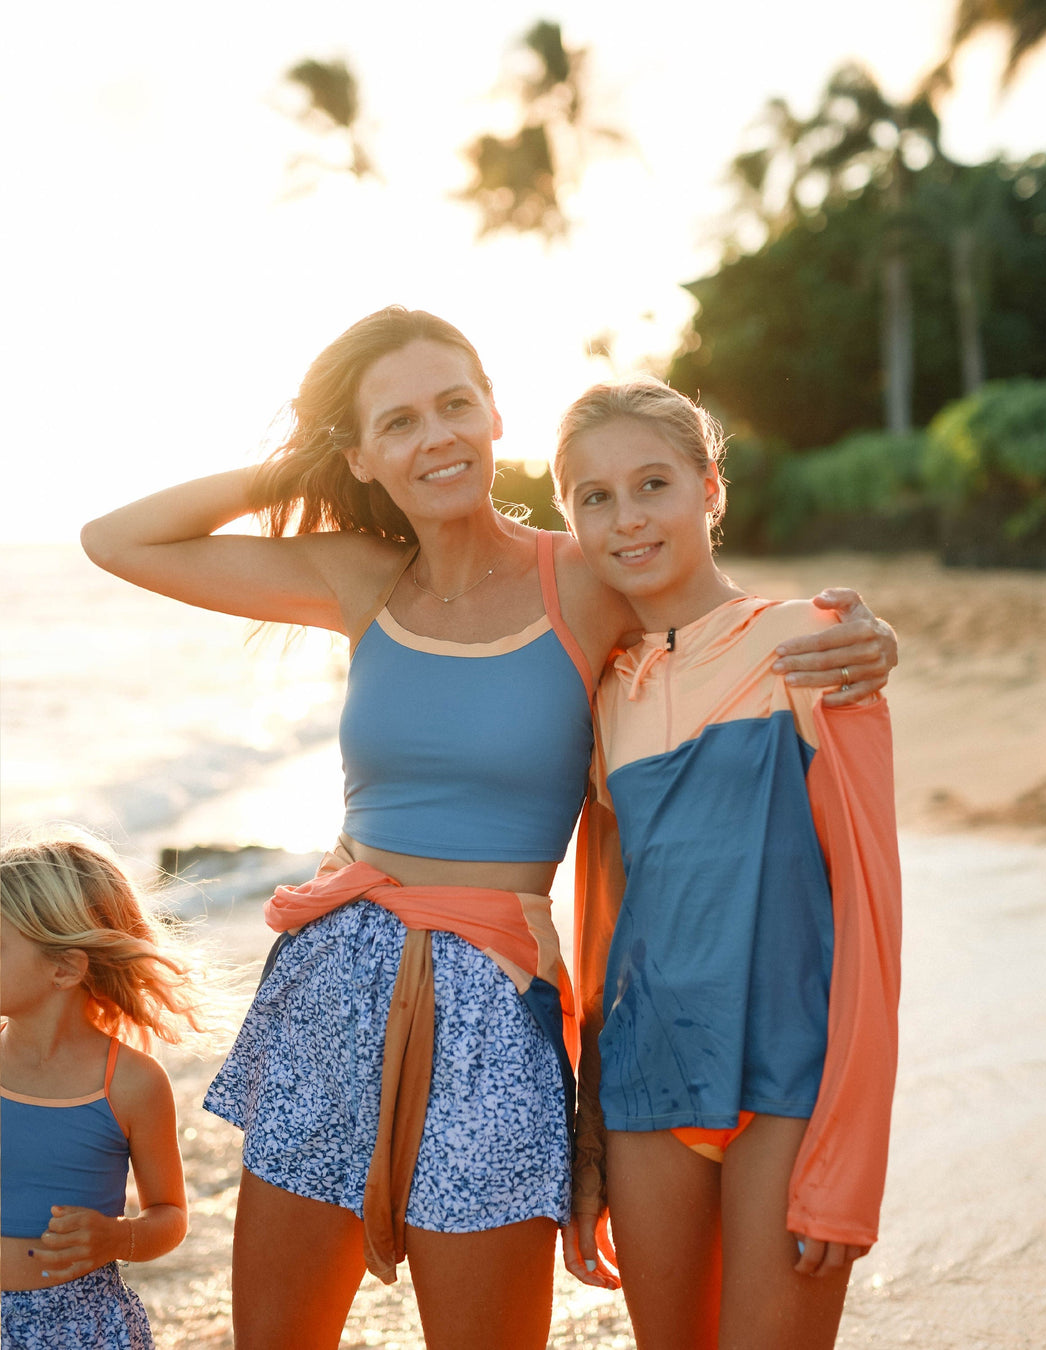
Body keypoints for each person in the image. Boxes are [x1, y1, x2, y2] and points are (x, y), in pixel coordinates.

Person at [80, 306, 898, 1350]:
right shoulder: (361, 576)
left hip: (493, 1000)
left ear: (495, 413)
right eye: (402, 422)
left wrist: (861, 639)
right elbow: (117, 540)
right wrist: (304, 471)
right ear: (364, 454)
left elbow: (710, 621)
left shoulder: (586, 573)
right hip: (331, 984)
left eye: (456, 405)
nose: (439, 438)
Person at [553, 381, 902, 1350]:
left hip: (787, 1077)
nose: (627, 519)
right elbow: (602, 931)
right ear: (570, 519)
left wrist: (852, 1154)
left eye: (653, 484)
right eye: (595, 497)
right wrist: (587, 1145)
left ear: (710, 489)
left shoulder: (813, 645)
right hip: (646, 1080)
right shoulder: (602, 694)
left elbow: (873, 908)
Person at [0, 831, 207, 1349]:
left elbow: (170, 1216)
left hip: (82, 1327)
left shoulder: (132, 1083)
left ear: (64, 967)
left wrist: (119, 1237)